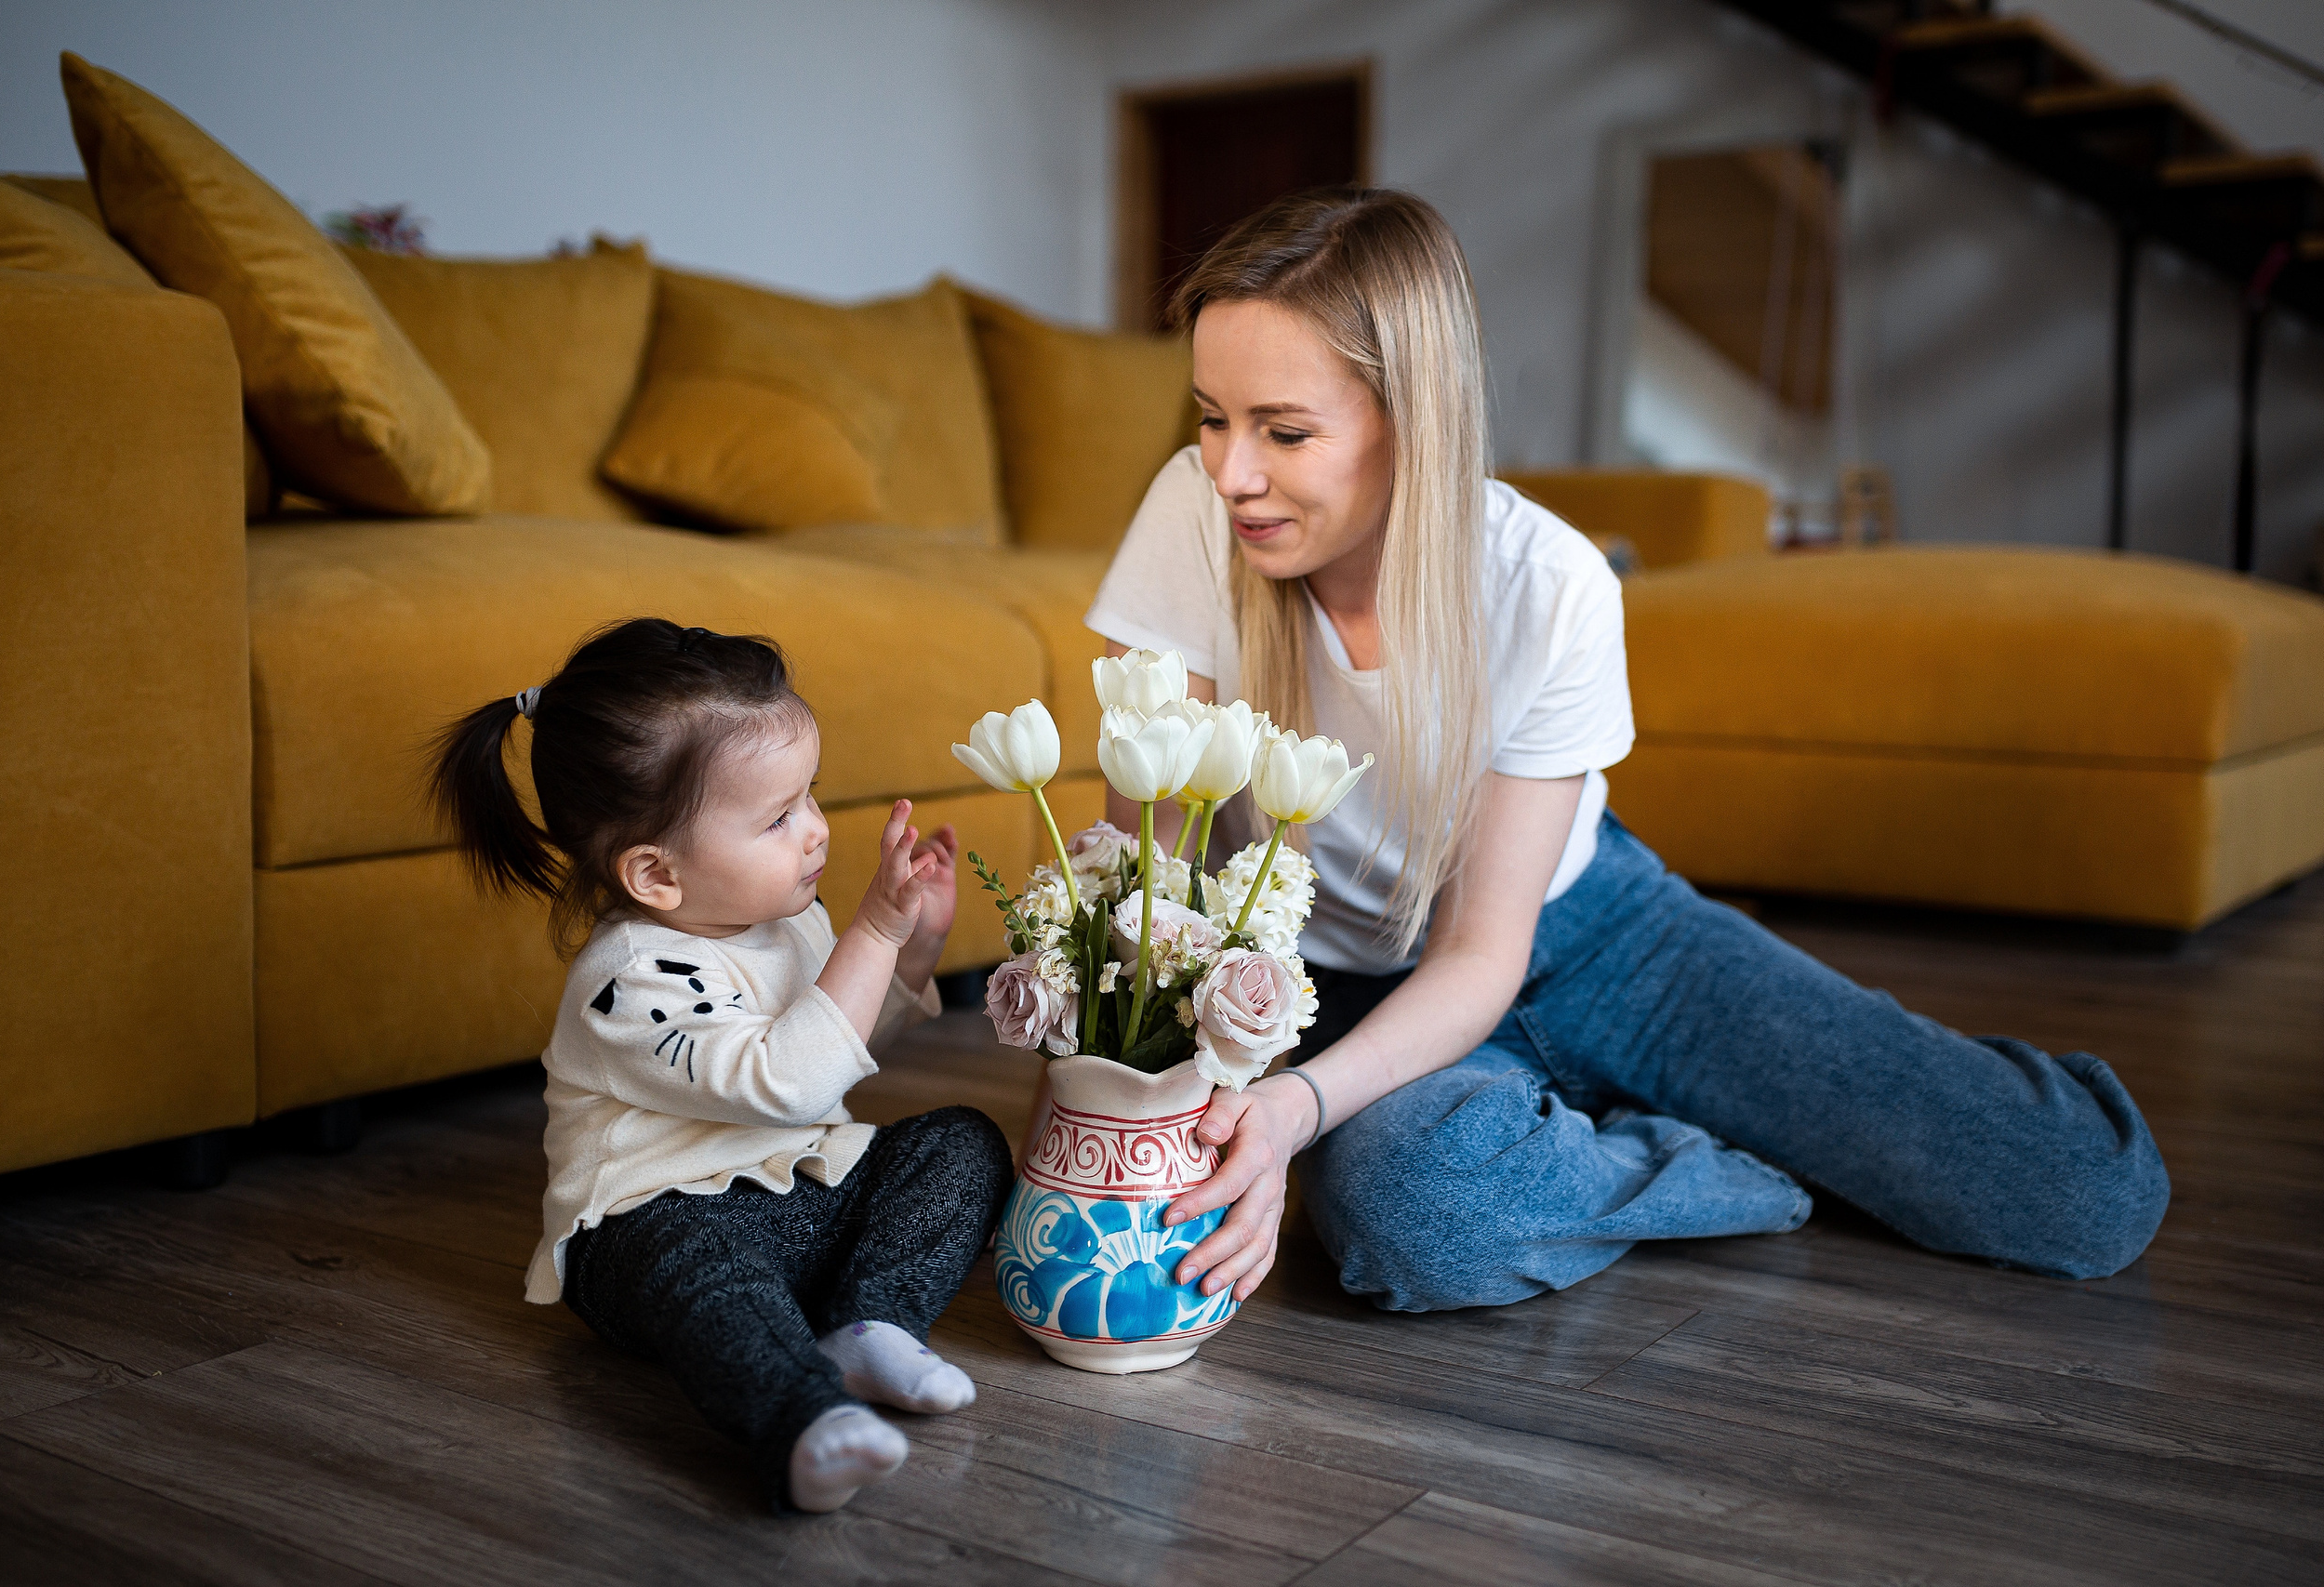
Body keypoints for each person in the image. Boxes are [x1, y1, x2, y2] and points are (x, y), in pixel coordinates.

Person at [1081, 188, 2169, 1316]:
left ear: (1413, 421)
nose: (1231, 472)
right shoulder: (1192, 513)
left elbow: (1479, 953)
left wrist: (1299, 1111)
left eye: (1284, 430)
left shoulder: (1549, 584)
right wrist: (1132, 1094)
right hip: (1336, 989)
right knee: (1415, 1220)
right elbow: (1160, 889)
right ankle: (1657, 1152)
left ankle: (1638, 1121)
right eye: (1211, 417)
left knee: (2083, 1197)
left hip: (1591, 932)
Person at [429, 618, 1012, 1513]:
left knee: (962, 1141)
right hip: (647, 1231)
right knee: (705, 1267)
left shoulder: (786, 921)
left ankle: (874, 1321)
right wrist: (877, 932)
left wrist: (914, 951)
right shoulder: (630, 983)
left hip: (792, 1191)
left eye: (810, 795)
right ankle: (800, 1417)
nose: (815, 831)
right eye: (778, 817)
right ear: (657, 876)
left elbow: (839, 1054)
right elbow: (789, 1079)